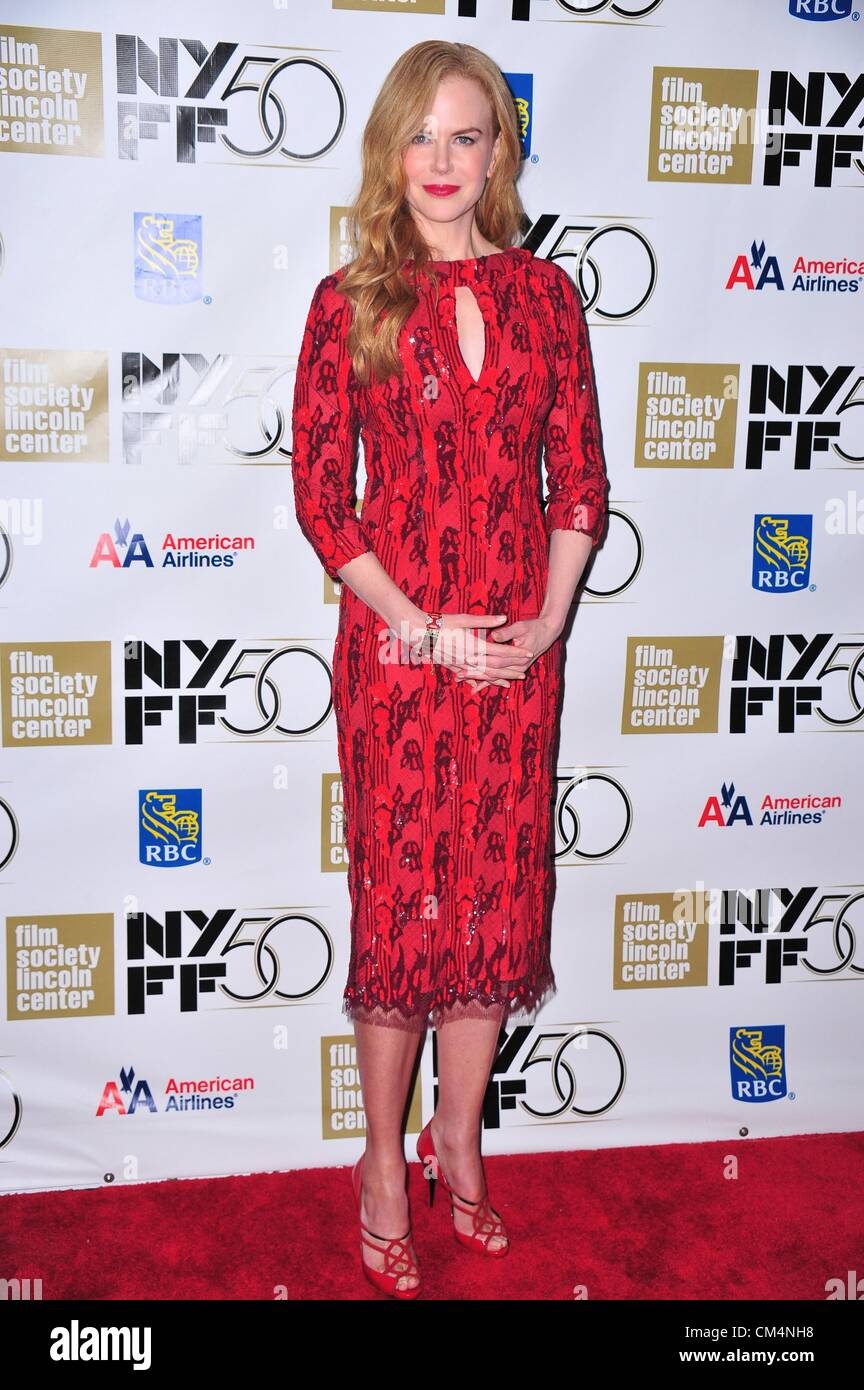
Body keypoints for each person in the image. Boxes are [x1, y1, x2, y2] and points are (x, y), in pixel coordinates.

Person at [291, 39, 608, 1299]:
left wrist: (545, 619)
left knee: (487, 912)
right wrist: (421, 627)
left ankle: (460, 1142)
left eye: (465, 136)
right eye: (421, 136)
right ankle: (382, 1164)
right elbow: (324, 498)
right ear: (391, 151)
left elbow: (578, 479)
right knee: (405, 915)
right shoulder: (349, 299)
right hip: (399, 660)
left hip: (519, 664)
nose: (441, 160)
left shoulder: (547, 298)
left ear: (497, 152)